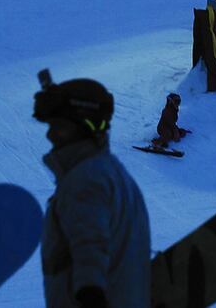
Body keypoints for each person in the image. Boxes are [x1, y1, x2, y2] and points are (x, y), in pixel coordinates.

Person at [32, 71, 150, 308]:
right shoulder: (112, 172)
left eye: (60, 126)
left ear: (86, 126)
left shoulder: (85, 180)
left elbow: (90, 245)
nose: (50, 134)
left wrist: (90, 294)